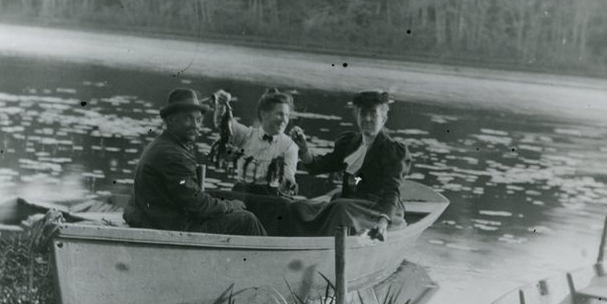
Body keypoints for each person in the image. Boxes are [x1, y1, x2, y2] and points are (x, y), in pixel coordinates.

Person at [123, 88, 267, 236]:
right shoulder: (174, 154)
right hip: (171, 226)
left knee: (222, 201)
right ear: (171, 121)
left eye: (198, 120)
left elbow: (192, 199)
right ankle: (270, 259)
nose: (195, 125)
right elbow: (198, 205)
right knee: (247, 220)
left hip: (156, 218)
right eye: (188, 118)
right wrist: (230, 206)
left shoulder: (162, 144)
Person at [288, 90, 412, 240]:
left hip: (377, 210)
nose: (367, 118)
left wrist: (383, 224)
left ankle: (316, 247)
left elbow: (392, 192)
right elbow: (318, 166)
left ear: (384, 118)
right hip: (350, 206)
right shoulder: (349, 143)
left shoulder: (392, 151)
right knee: (298, 207)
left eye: (374, 114)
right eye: (363, 113)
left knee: (339, 206)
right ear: (356, 116)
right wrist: (304, 148)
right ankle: (297, 244)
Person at [211, 87, 299, 196]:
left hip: (270, 198)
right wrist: (221, 104)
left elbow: (289, 175)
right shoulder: (246, 135)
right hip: (241, 194)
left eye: (287, 115)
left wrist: (289, 184)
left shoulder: (290, 146)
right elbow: (222, 123)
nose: (284, 120)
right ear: (263, 114)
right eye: (280, 114)